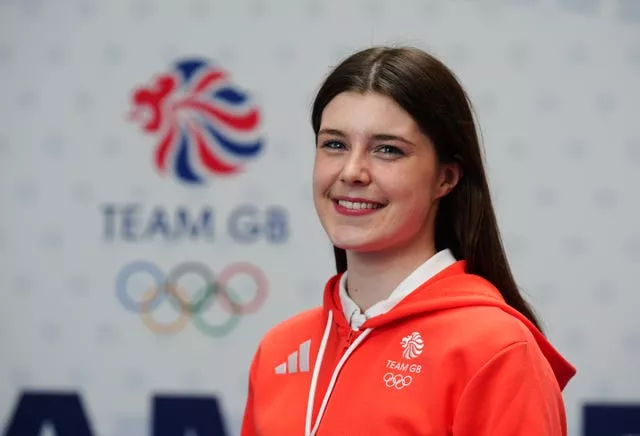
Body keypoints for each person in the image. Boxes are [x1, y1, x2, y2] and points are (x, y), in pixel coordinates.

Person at [240, 45, 576, 436]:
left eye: (387, 150)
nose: (352, 171)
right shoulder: (281, 348)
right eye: (335, 144)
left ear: (445, 178)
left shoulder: (496, 349)